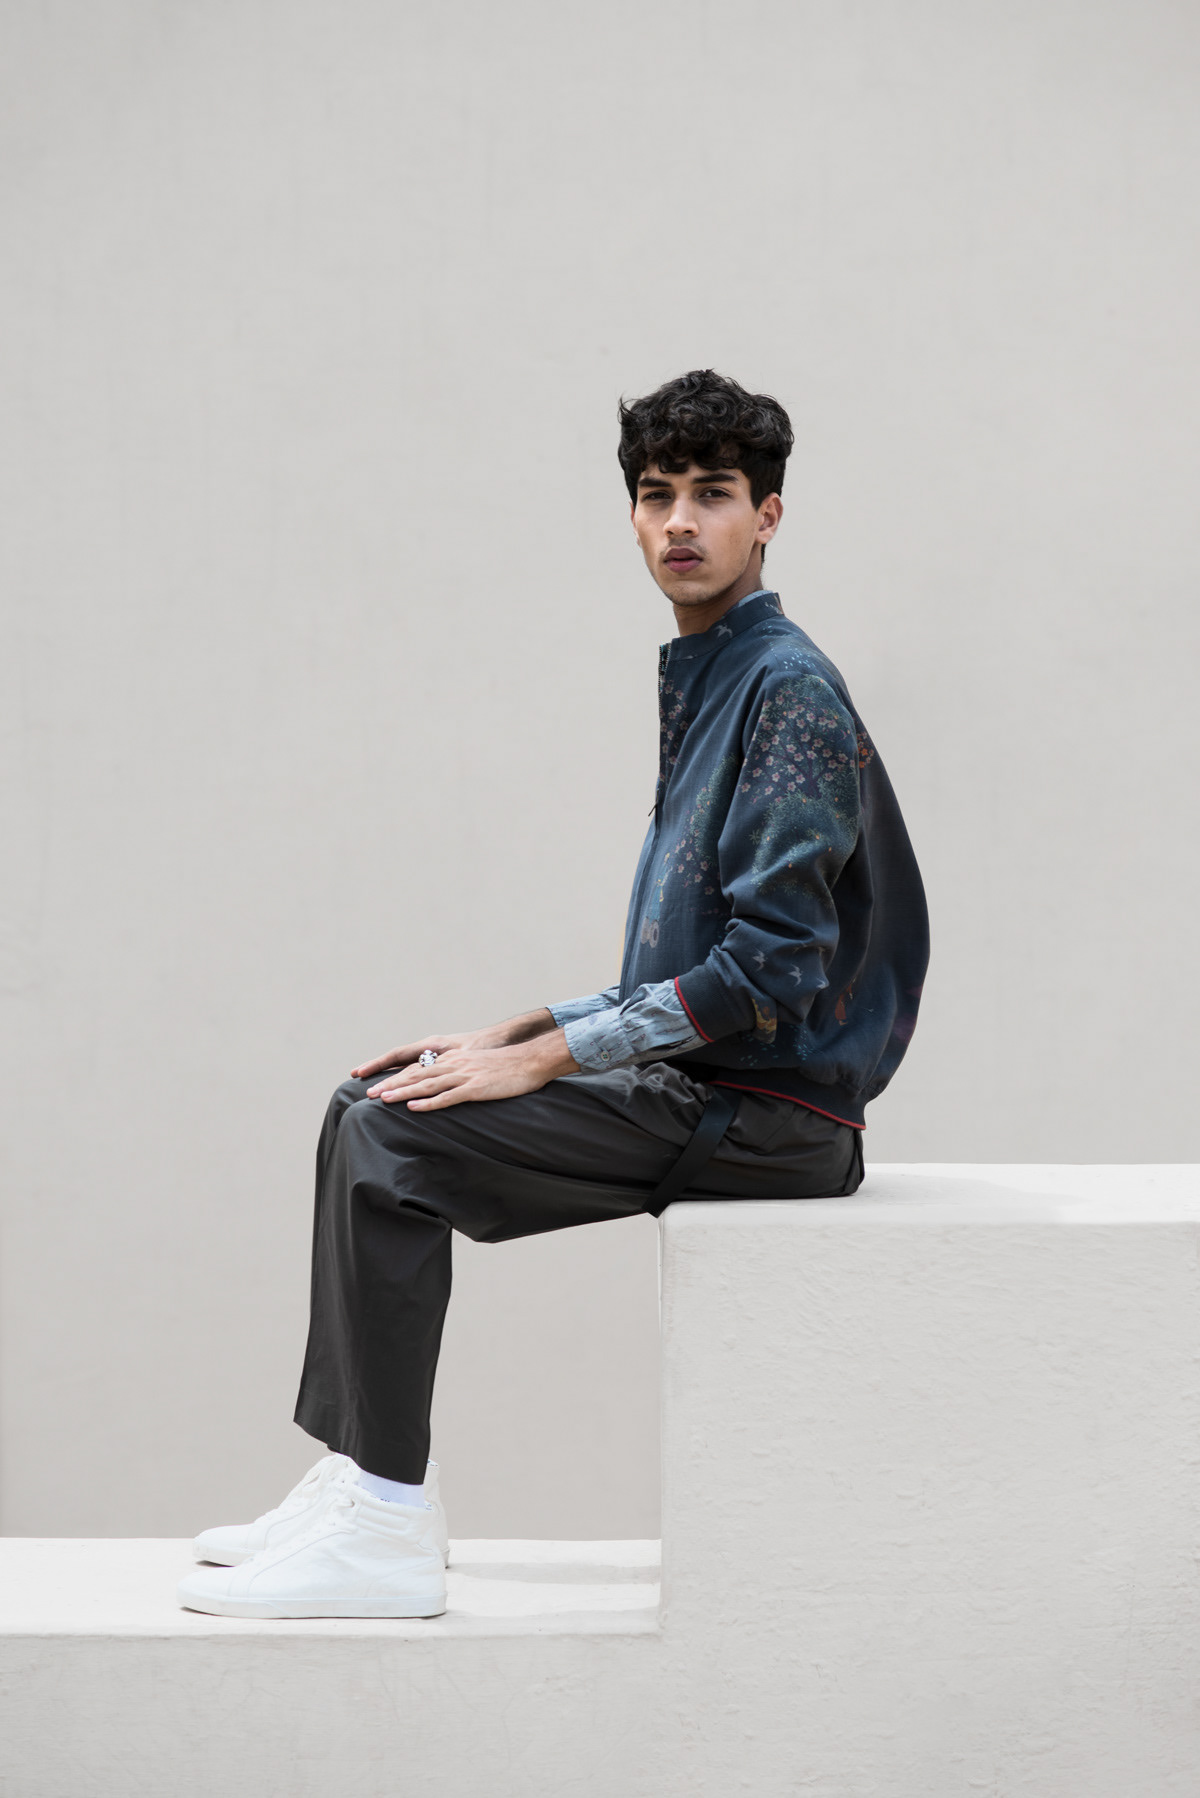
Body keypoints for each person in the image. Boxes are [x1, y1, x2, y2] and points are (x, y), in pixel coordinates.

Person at [178, 369, 929, 1620]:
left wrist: (549, 1060)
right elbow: (690, 961)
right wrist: (525, 1028)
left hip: (773, 1116)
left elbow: (771, 968)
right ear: (630, 515)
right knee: (371, 1099)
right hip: (718, 1085)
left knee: (391, 1142)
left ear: (768, 516)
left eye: (714, 494)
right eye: (656, 494)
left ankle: (385, 1526)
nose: (680, 521)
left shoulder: (785, 688)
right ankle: (362, 1476)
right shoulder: (715, 673)